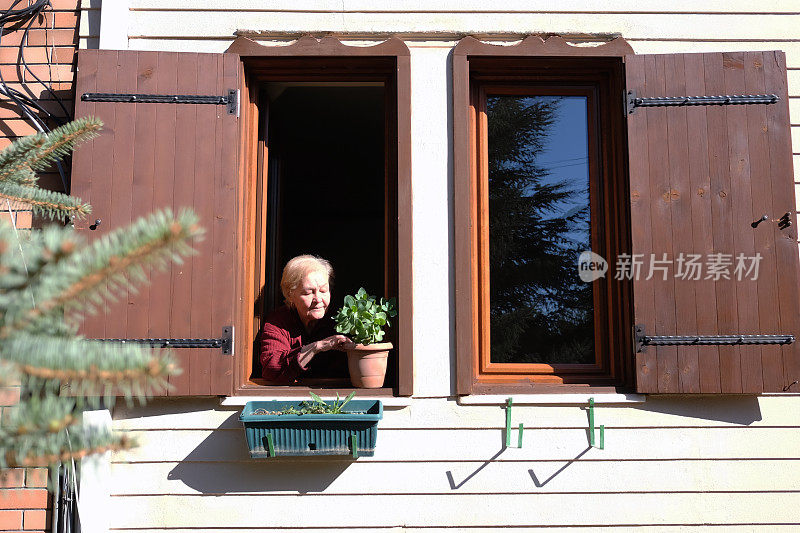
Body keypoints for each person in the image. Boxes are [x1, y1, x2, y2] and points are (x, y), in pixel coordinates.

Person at [260, 255, 355, 384]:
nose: (318, 299)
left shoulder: (341, 319)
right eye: (308, 293)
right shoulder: (278, 321)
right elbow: (272, 369)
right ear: (290, 294)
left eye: (323, 291)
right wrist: (316, 347)